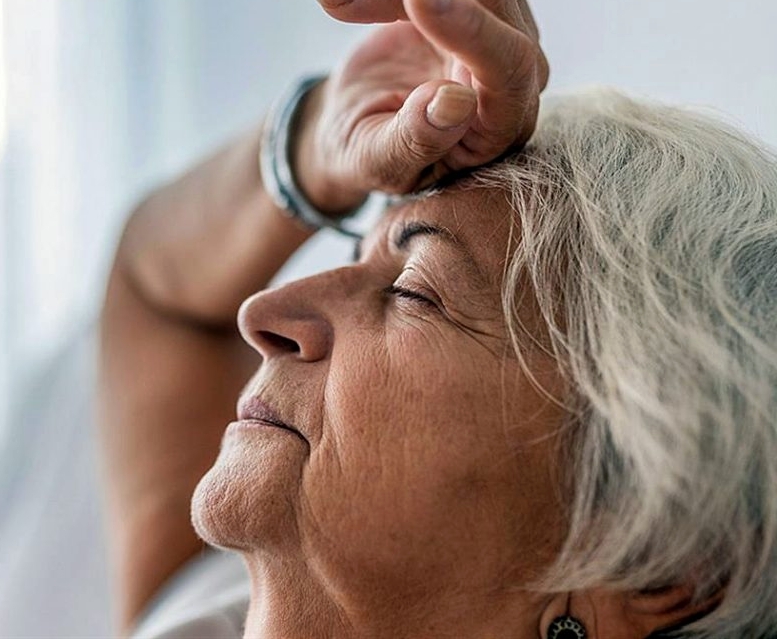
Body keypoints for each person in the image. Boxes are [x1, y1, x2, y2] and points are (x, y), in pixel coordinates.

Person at [99, 0, 777, 637]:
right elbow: (158, 288)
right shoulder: (209, 615)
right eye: (354, 257)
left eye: (415, 292)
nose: (263, 312)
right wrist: (318, 140)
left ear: (654, 563)